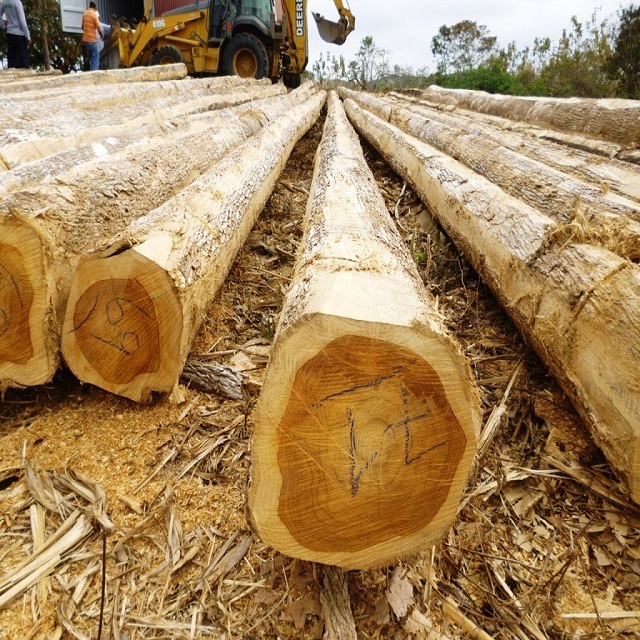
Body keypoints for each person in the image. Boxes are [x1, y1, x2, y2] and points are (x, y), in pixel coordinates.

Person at [1, 0, 31, 69]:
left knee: (12, 60)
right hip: (19, 34)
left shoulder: (4, 2)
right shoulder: (17, 2)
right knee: (23, 60)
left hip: (9, 33)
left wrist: (3, 25)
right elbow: (22, 21)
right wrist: (28, 36)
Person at [81, 0, 103, 71]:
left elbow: (82, 27)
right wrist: (102, 35)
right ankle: (94, 74)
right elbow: (99, 28)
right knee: (95, 59)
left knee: (90, 58)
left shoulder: (84, 14)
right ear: (95, 7)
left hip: (85, 41)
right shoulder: (94, 15)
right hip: (92, 40)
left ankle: (89, 72)